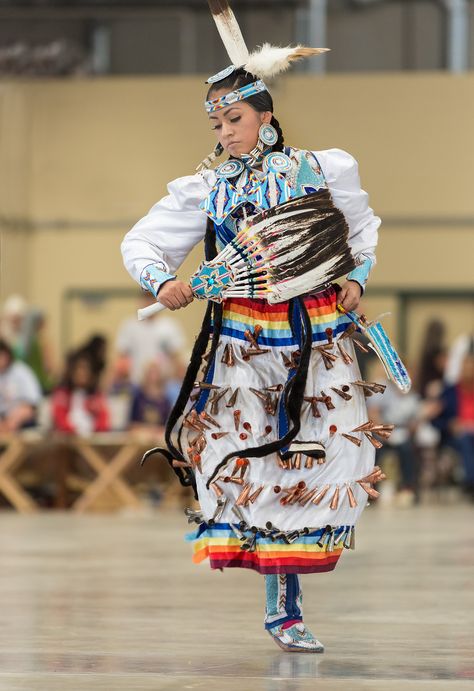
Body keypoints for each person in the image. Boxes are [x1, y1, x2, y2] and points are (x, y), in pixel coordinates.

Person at [121, 1, 384, 653]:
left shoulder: (321, 170)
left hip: (317, 337)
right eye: (217, 120)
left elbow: (360, 231)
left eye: (234, 117)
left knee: (314, 463)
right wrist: (166, 282)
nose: (225, 130)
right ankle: (282, 606)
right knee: (258, 468)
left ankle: (288, 599)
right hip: (244, 344)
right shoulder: (206, 189)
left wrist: (355, 279)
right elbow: (143, 242)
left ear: (265, 116)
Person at [115, 293, 186, 385]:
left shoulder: (169, 325)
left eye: (152, 300)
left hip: (163, 384)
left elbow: (177, 357)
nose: (148, 303)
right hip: (136, 382)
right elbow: (122, 355)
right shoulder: (129, 325)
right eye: (146, 299)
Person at [51, 352, 110, 436]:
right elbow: (59, 417)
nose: (81, 373)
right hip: (68, 439)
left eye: (85, 370)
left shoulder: (96, 396)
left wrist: (96, 432)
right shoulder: (62, 394)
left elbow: (103, 417)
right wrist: (72, 431)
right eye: (78, 369)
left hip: (93, 438)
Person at [0, 339, 42, 432]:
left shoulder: (21, 371)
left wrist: (13, 418)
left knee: (22, 412)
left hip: (21, 415)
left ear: (7, 355)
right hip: (2, 416)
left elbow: (32, 402)